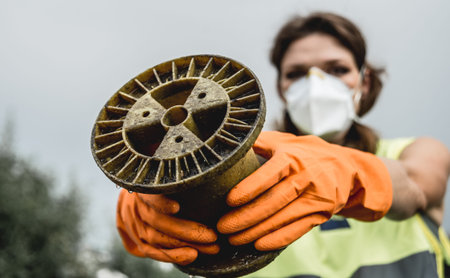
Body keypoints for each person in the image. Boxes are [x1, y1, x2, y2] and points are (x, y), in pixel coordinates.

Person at [115, 12, 450, 277]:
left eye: (337, 69)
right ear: (281, 88)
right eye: (297, 73)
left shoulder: (415, 152)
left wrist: (351, 173)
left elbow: (417, 186)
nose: (316, 84)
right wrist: (146, 199)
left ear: (363, 81)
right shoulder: (234, 173)